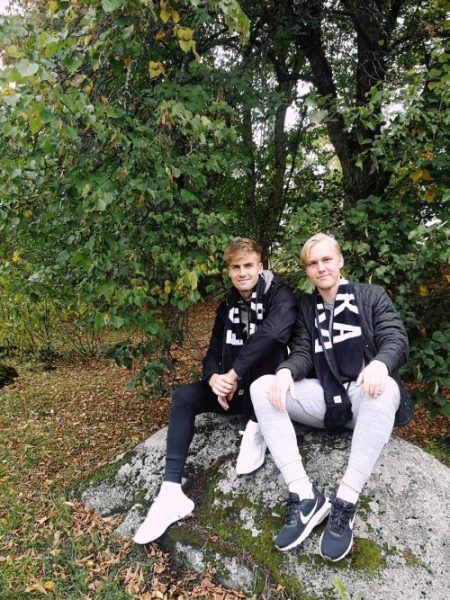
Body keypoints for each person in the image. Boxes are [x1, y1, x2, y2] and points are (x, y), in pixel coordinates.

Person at [250, 233, 413, 562]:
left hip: (366, 397)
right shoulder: (307, 307)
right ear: (307, 270)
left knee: (385, 388)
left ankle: (345, 501)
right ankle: (304, 495)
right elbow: (301, 351)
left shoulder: (371, 295)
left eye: (326, 259)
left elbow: (396, 338)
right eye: (313, 263)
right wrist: (286, 371)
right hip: (326, 395)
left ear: (340, 261)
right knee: (262, 386)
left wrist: (380, 363)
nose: (321, 267)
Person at [133, 237, 298, 544]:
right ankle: (170, 491)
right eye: (236, 267)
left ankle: (256, 427)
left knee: (268, 350)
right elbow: (212, 352)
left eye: (248, 265)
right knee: (183, 397)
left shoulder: (281, 296)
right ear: (229, 271)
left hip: (265, 393)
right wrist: (214, 379)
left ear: (260, 266)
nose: (242, 273)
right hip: (233, 391)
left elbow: (273, 334)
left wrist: (234, 373)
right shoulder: (227, 305)